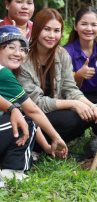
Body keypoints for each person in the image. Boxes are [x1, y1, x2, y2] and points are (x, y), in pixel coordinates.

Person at [18, 8, 97, 145]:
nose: (51, 35)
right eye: (46, 29)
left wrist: (94, 107)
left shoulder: (62, 54)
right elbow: (36, 103)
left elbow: (70, 88)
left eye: (56, 31)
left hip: (54, 110)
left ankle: (60, 139)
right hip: (30, 115)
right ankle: (37, 144)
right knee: (70, 119)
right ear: (36, 29)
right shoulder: (23, 60)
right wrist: (74, 104)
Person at [0, 25, 67, 179]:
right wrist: (57, 138)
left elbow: (28, 111)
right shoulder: (3, 74)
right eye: (11, 47)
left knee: (22, 115)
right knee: (26, 120)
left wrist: (46, 146)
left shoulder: (6, 74)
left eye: (23, 49)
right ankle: (12, 171)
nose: (18, 53)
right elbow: (33, 111)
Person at [64, 6, 97, 135]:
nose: (89, 29)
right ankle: (78, 134)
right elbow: (67, 88)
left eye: (94, 25)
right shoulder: (66, 52)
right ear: (75, 26)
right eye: (84, 24)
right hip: (75, 97)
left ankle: (95, 133)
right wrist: (79, 76)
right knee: (72, 121)